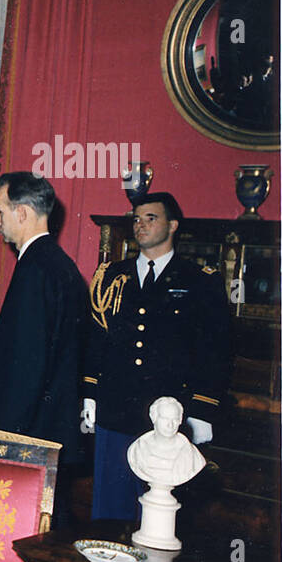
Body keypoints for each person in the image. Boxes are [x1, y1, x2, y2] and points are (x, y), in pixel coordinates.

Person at [83, 192, 230, 518]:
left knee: (159, 512)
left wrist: (203, 409)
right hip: (116, 409)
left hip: (168, 415)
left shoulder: (199, 281)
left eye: (151, 218)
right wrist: (90, 393)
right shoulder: (112, 276)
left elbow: (214, 350)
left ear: (173, 225)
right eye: (136, 219)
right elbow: (95, 338)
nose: (141, 225)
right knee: (110, 506)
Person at [0, 172, 88, 461]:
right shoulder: (60, 265)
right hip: (49, 429)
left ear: (22, 213)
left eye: (0, 212)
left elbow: (26, 365)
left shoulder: (35, 269)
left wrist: (4, 439)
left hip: (26, 437)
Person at [128, 396, 206, 487]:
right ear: (153, 418)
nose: (170, 425)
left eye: (175, 419)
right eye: (164, 418)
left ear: (180, 420)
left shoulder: (192, 456)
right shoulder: (137, 449)